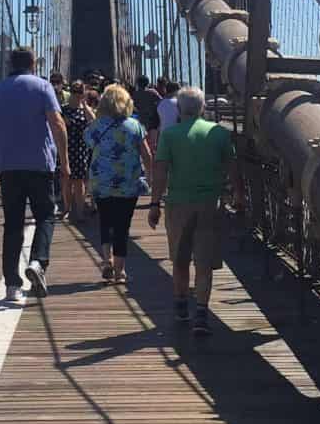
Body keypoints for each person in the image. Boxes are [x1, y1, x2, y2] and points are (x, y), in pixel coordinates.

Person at [0, 46, 70, 303]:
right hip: (40, 165)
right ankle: (38, 262)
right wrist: (64, 162)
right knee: (45, 216)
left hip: (9, 168)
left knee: (13, 224)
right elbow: (57, 123)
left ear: (11, 64)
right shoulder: (43, 87)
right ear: (33, 64)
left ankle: (12, 285)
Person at [148, 86, 235, 336]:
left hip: (178, 204)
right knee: (204, 262)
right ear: (203, 108)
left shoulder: (170, 135)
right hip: (210, 204)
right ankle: (201, 314)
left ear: (179, 109)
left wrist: (154, 204)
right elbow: (232, 166)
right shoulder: (219, 133)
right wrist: (238, 194)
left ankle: (181, 307)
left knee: (180, 259)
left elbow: (161, 170)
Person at [85, 84, 153, 284]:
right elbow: (147, 154)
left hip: (101, 181)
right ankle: (120, 271)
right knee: (123, 226)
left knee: (105, 221)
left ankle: (106, 261)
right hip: (128, 183)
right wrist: (150, 176)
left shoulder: (96, 126)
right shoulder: (134, 125)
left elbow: (89, 143)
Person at [61, 81, 93, 221]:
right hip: (66, 148)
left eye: (80, 92)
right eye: (75, 91)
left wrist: (85, 105)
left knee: (79, 182)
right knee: (66, 180)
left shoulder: (84, 109)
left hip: (81, 148)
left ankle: (79, 212)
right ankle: (67, 208)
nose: (77, 95)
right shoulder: (63, 109)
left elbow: (93, 121)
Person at [132, 75, 161, 147]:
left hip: (140, 121)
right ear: (147, 83)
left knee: (142, 144)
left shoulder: (135, 94)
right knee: (152, 145)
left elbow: (132, 107)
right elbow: (161, 101)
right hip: (152, 122)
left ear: (138, 83)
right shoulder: (152, 92)